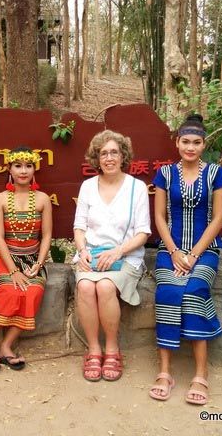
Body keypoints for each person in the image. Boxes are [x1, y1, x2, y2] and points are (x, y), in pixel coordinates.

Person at [148, 114, 222, 405]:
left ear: (204, 144)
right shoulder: (166, 174)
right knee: (167, 292)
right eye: (185, 141)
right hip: (170, 249)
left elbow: (219, 217)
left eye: (196, 142)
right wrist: (174, 252)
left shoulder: (216, 174)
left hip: (205, 250)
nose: (191, 147)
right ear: (177, 143)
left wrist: (193, 255)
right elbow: (159, 216)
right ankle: (165, 372)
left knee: (194, 291)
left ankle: (201, 373)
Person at [73, 130, 151, 382]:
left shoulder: (136, 187)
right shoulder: (87, 186)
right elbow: (79, 227)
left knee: (106, 287)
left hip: (125, 257)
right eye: (103, 153)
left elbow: (143, 233)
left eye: (114, 152)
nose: (109, 158)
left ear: (123, 155)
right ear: (97, 158)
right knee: (85, 286)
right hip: (91, 255)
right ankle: (94, 350)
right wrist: (83, 250)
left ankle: (112, 349)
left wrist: (117, 251)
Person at [0, 147, 52, 373]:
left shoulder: (43, 199)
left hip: (33, 259)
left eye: (28, 166)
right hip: (5, 258)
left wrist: (40, 263)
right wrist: (14, 270)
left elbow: (46, 236)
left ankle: (6, 346)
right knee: (10, 291)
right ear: (9, 169)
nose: (23, 171)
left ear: (35, 169)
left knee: (32, 291)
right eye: (18, 166)